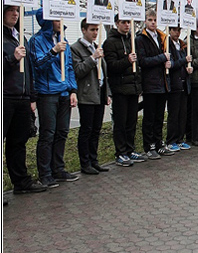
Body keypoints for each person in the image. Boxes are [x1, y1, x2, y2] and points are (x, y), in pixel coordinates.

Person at [30, 10, 79, 187]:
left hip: (64, 93)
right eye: (56, 18)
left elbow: (70, 67)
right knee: (48, 133)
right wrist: (53, 51)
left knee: (62, 132)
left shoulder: (63, 39)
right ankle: (45, 173)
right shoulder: (36, 41)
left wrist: (73, 90)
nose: (60, 21)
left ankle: (58, 168)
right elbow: (37, 65)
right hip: (47, 93)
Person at [3, 4, 47, 194]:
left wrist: (32, 96)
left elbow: (29, 70)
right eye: (10, 10)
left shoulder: (21, 38)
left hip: (22, 98)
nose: (15, 13)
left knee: (18, 142)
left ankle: (21, 182)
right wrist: (12, 58)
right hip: (4, 97)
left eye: (17, 10)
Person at [103, 15, 145, 166]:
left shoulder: (132, 41)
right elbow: (112, 66)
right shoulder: (110, 42)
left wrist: (138, 84)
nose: (127, 25)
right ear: (116, 23)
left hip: (133, 87)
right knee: (121, 122)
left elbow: (138, 66)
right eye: (124, 22)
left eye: (129, 22)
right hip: (120, 88)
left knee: (131, 121)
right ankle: (120, 152)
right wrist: (127, 60)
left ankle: (130, 149)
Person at [71, 19, 111, 174]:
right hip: (87, 94)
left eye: (96, 30)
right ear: (83, 30)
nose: (95, 33)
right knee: (86, 129)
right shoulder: (76, 48)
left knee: (96, 129)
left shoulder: (97, 46)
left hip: (99, 93)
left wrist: (107, 93)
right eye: (92, 30)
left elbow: (104, 72)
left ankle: (94, 160)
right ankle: (85, 162)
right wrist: (92, 58)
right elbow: (78, 70)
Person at [136, 10, 172, 159]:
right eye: (150, 19)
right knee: (149, 117)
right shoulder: (141, 39)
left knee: (159, 116)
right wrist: (162, 57)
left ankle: (159, 143)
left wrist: (167, 62)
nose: (153, 22)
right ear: (145, 21)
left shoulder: (161, 37)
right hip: (150, 83)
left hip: (162, 82)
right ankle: (149, 145)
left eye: (155, 20)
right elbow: (143, 61)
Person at [165, 26, 193, 152]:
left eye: (179, 30)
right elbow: (172, 64)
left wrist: (188, 69)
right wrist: (184, 61)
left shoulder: (182, 46)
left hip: (183, 83)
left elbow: (184, 63)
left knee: (183, 114)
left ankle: (180, 139)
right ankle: (171, 140)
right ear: (170, 31)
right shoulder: (167, 45)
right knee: (174, 114)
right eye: (175, 30)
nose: (177, 33)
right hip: (174, 84)